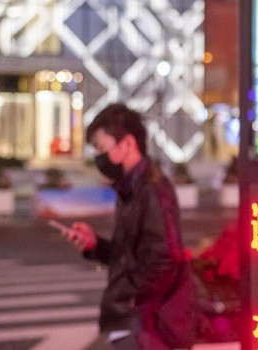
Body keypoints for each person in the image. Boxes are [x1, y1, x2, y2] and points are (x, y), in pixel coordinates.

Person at [61, 103, 190, 350]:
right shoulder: (130, 188)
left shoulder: (152, 189)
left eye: (101, 148)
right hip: (133, 322)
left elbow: (163, 260)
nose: (99, 158)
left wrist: (128, 297)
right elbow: (130, 256)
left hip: (145, 325)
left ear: (127, 144)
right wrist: (95, 244)